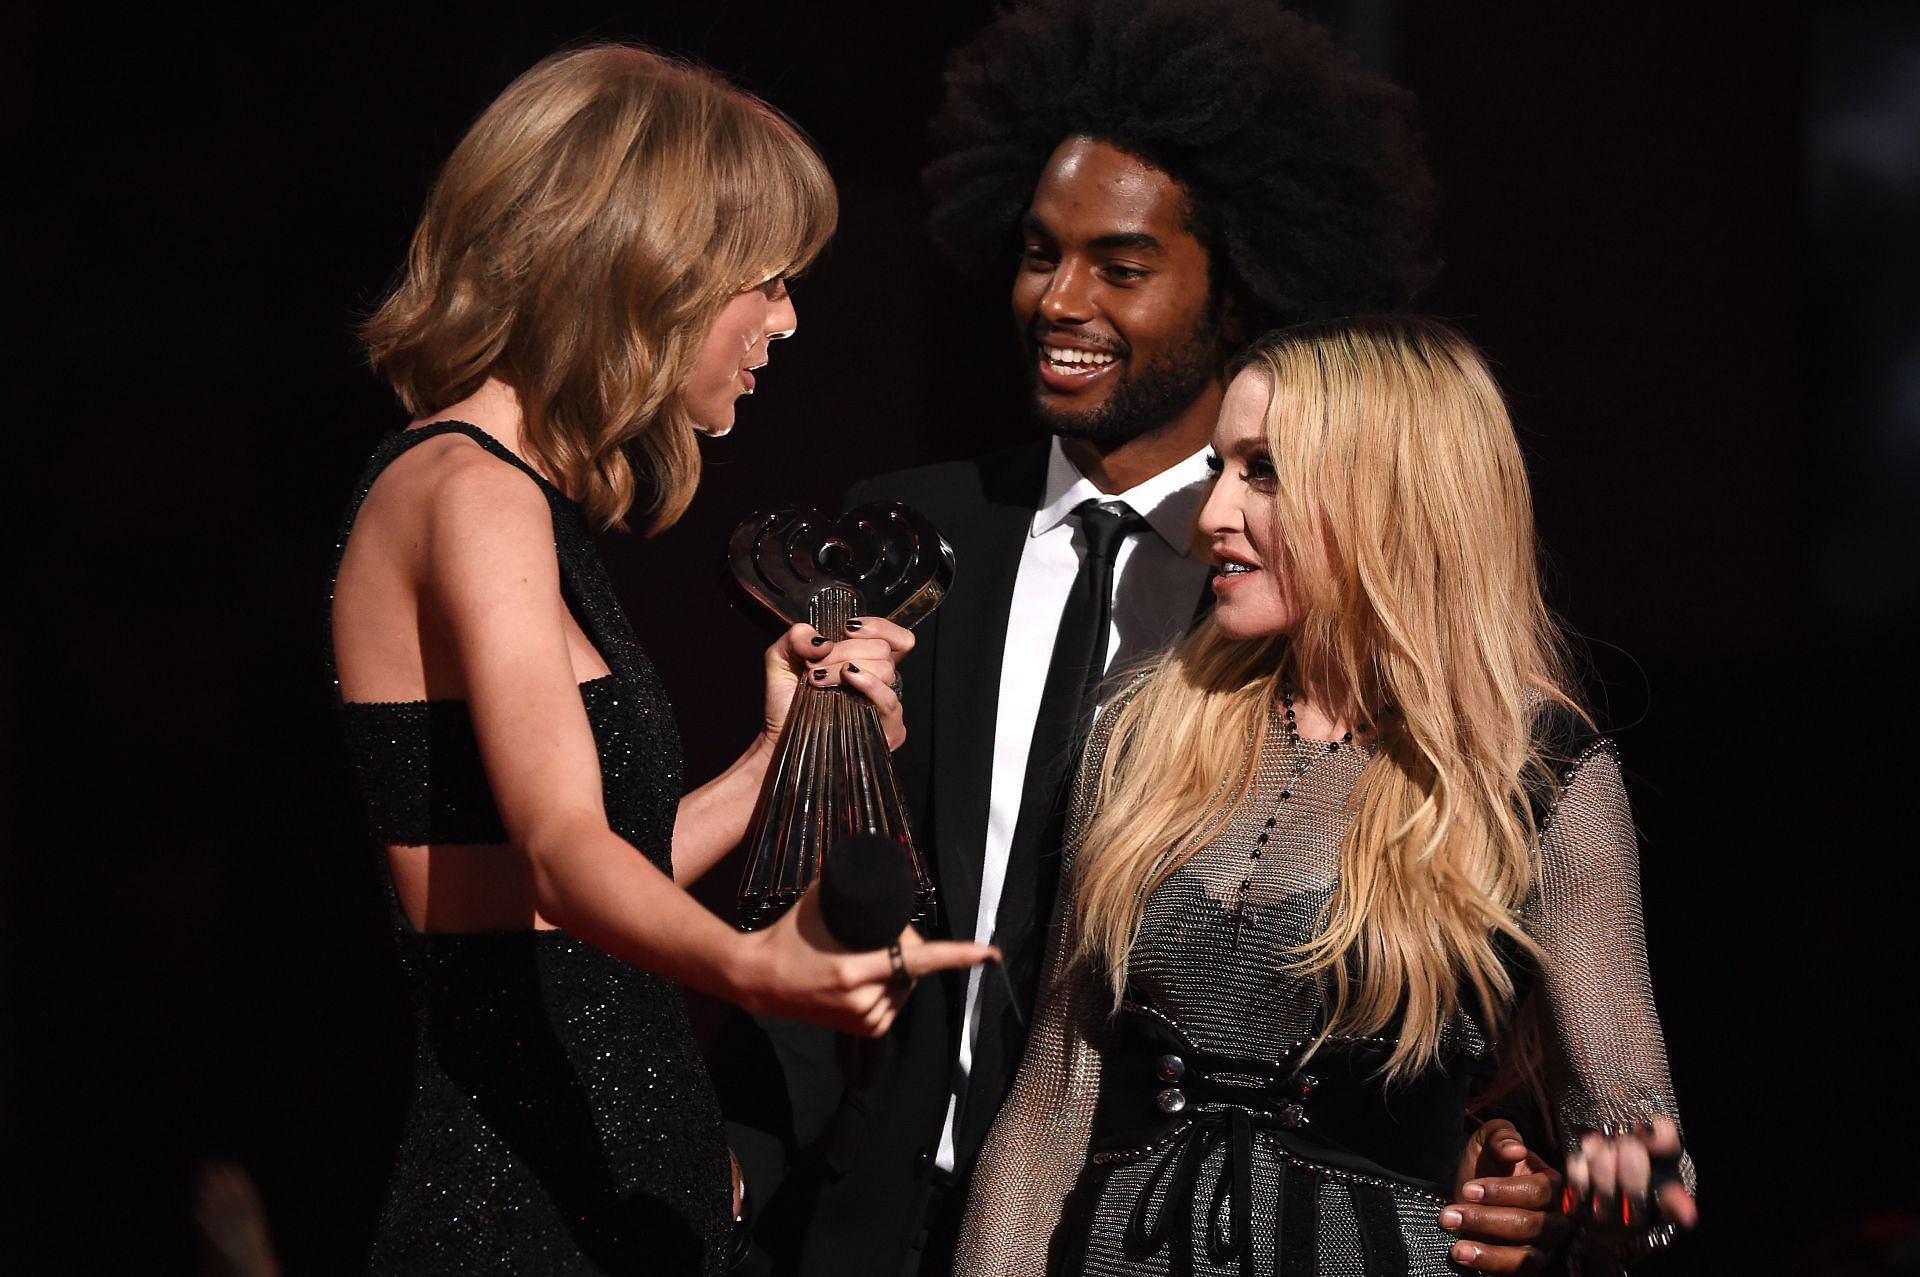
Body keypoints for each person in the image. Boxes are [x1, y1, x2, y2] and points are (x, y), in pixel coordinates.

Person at [729, 2, 1562, 1274]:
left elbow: (1410, 908)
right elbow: (815, 888)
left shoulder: (1290, 590)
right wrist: (739, 1156)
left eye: (1121, 266)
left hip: (1158, 1233)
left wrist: (1493, 1129)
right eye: (1039, 250)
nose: (1060, 299)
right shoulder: (906, 535)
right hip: (875, 1224)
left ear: (1238, 288)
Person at [327, 45, 994, 1275]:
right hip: (524, 1200)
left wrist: (771, 756)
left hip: (606, 1176)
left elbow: (524, 893)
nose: (788, 319)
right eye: (770, 279)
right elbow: (563, 855)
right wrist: (754, 964)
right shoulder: (469, 491)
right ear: (651, 263)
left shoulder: (508, 495)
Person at [954, 315, 1700, 1275]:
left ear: (1390, 495)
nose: (1211, 514)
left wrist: (1586, 1210)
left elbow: (1643, 1154)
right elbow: (1055, 1095)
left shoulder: (1536, 771)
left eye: (1262, 471)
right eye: (1222, 465)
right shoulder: (1144, 731)